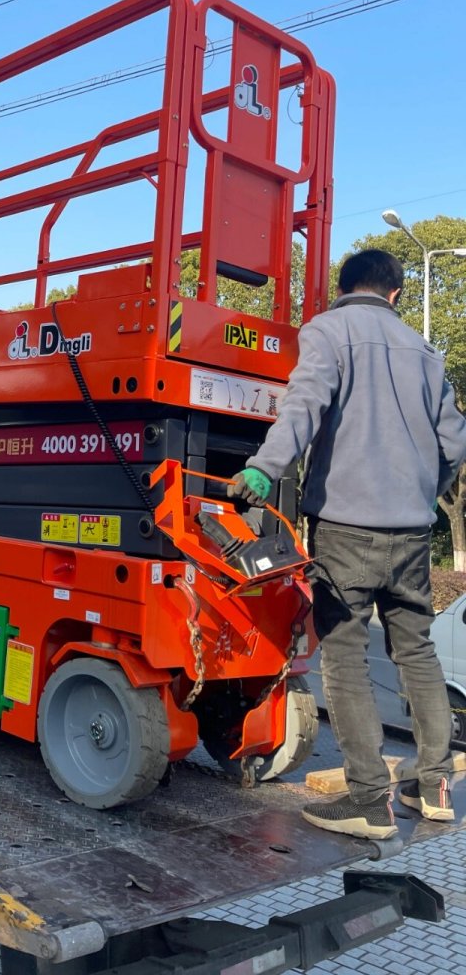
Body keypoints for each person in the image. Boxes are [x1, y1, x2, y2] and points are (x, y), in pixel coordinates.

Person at [228, 249, 466, 840]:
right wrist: (422, 495)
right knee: (417, 651)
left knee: (345, 654)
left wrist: (263, 469)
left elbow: (303, 405)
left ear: (346, 288)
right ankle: (434, 785)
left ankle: (367, 800)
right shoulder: (425, 351)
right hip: (412, 531)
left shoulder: (328, 332)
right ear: (394, 293)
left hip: (346, 527)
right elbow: (455, 445)